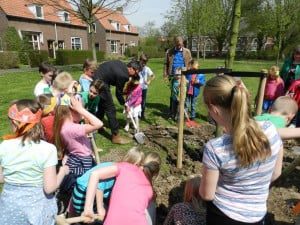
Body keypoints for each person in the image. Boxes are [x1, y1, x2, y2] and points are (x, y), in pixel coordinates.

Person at [199, 75, 283, 225]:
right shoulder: (270, 129)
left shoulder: (215, 148)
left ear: (214, 109)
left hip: (224, 216)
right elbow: (276, 173)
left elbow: (207, 195)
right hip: (257, 215)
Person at [0, 99, 68, 225]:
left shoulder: (4, 146)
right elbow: (49, 188)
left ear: (15, 122)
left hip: (10, 208)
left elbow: (1, 178)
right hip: (36, 209)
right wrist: (62, 172)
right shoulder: (47, 149)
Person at [82, 151, 161, 225]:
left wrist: (88, 208)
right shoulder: (149, 190)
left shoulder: (126, 167)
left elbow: (95, 174)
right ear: (155, 174)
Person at [54, 95, 103, 211]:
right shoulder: (71, 128)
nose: (83, 111)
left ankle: (73, 204)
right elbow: (99, 124)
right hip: (82, 161)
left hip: (78, 158)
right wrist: (81, 110)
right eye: (81, 108)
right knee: (85, 184)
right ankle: (77, 207)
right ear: (71, 111)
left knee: (83, 184)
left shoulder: (67, 126)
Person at [71, 147, 144, 216]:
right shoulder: (116, 172)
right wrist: (100, 209)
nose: (141, 168)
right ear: (131, 163)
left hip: (80, 191)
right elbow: (99, 187)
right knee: (101, 218)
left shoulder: (116, 166)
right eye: (138, 165)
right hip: (82, 196)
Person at [93, 60, 141, 144]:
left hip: (98, 77)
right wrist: (125, 104)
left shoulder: (122, 65)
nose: (136, 74)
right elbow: (118, 94)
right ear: (131, 69)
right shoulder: (124, 75)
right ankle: (115, 136)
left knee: (102, 106)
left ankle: (97, 126)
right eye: (136, 71)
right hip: (100, 81)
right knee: (111, 109)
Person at [163, 36, 192, 115]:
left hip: (184, 76)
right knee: (174, 94)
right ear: (175, 43)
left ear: (182, 43)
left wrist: (188, 70)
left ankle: (182, 112)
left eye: (180, 44)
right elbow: (166, 64)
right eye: (177, 45)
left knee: (183, 93)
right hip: (173, 76)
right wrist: (165, 75)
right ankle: (172, 112)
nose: (179, 46)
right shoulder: (170, 52)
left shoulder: (187, 51)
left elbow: (190, 63)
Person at [139, 53, 155, 119]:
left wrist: (149, 81)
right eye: (143, 62)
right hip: (137, 88)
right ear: (140, 60)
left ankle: (142, 115)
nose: (144, 64)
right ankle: (137, 115)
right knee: (137, 102)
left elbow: (153, 76)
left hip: (144, 88)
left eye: (145, 62)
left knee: (143, 102)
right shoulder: (136, 67)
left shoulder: (147, 68)